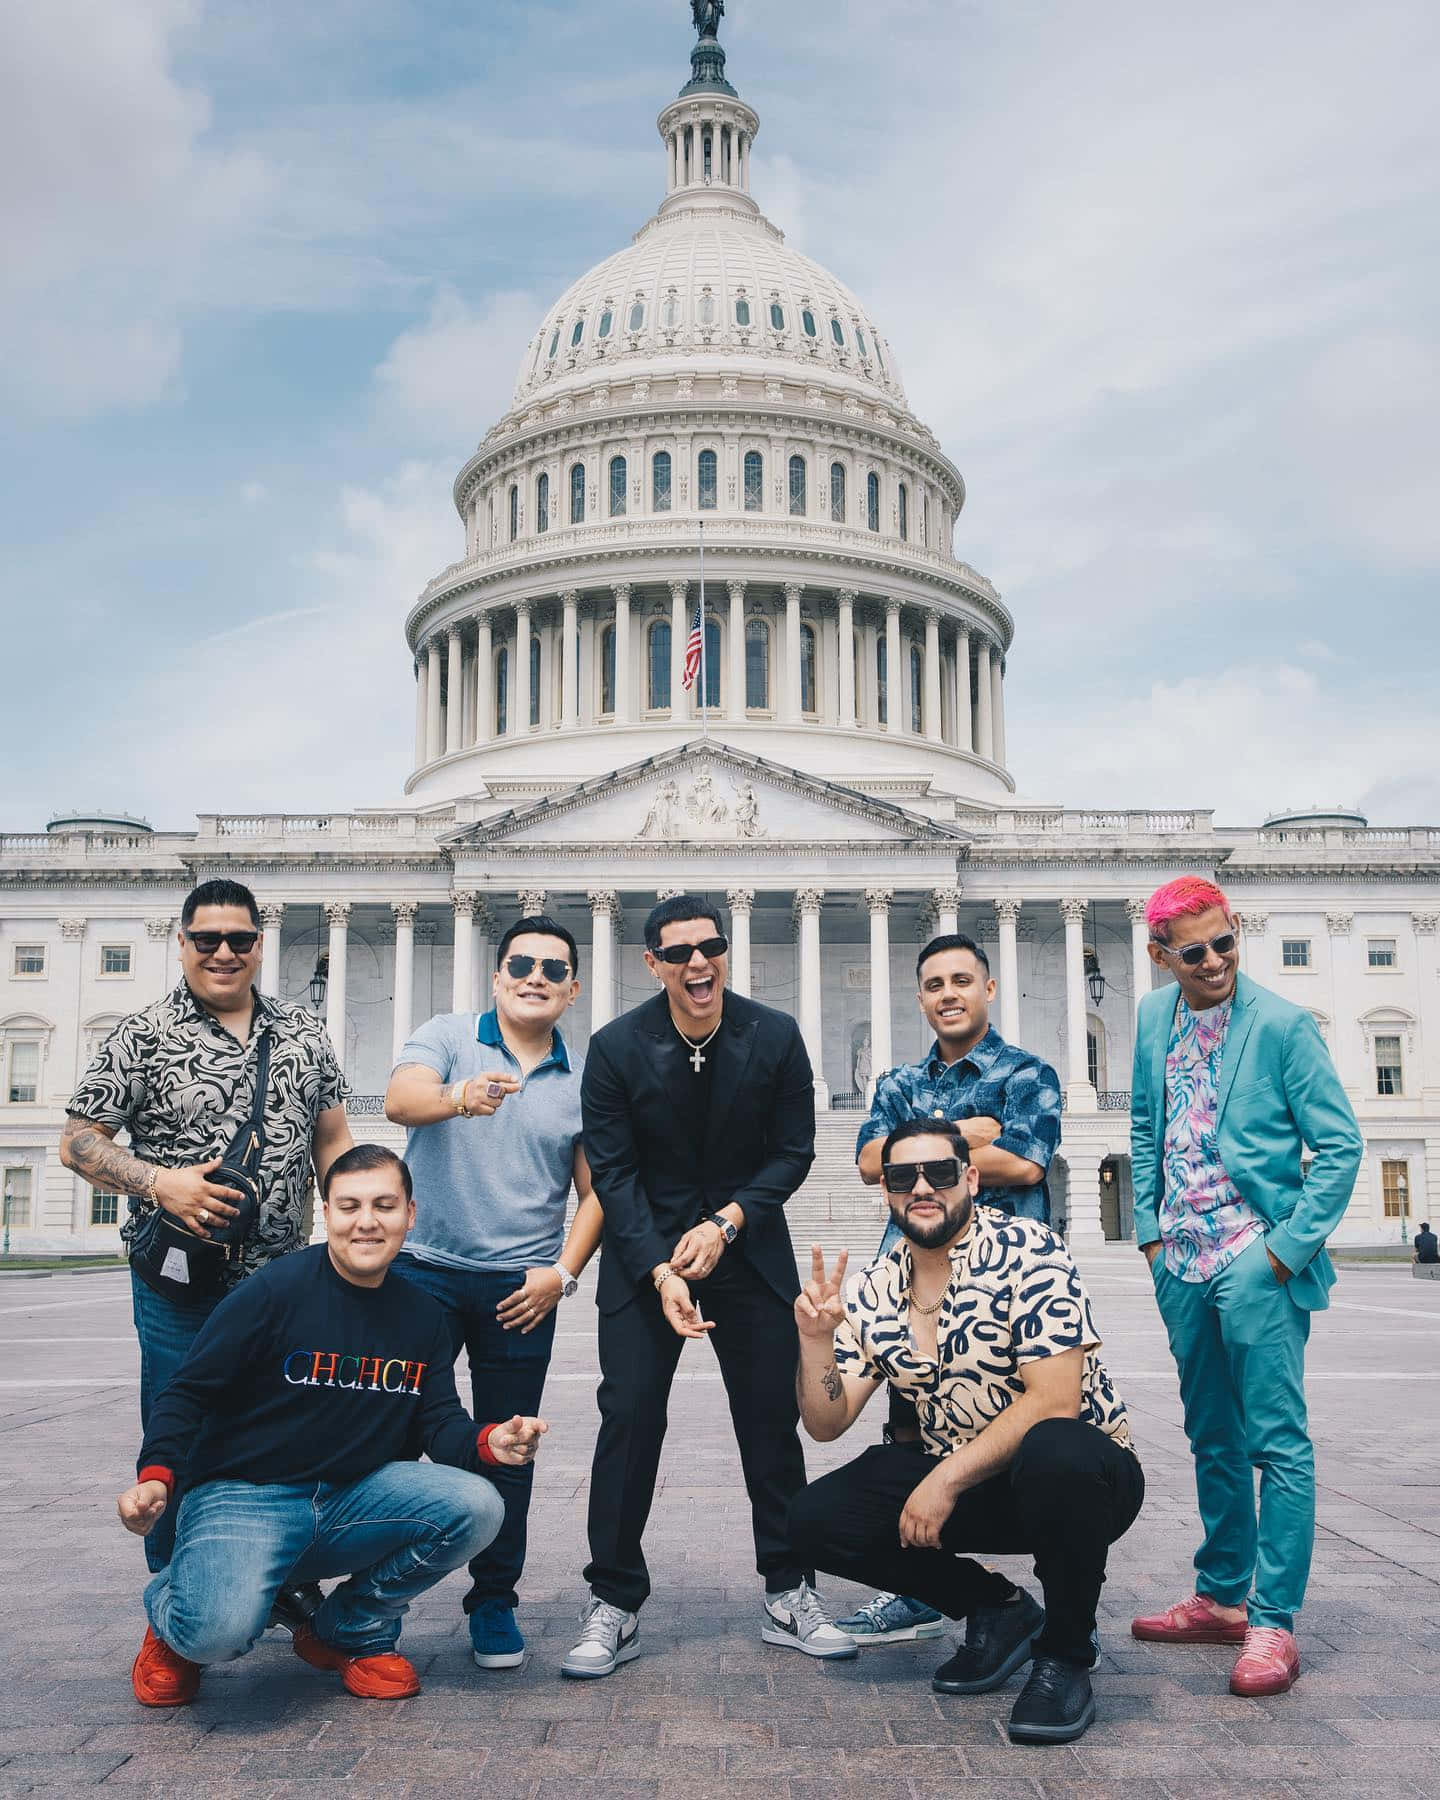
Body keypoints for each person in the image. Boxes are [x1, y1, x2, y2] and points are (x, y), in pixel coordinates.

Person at [116, 1143, 548, 1708]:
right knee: (217, 1635)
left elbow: (438, 1423)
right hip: (247, 1496)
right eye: (350, 1206)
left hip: (350, 1500)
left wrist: (489, 1443)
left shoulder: (421, 1315)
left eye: (384, 1206)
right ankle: (174, 1614)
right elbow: (189, 1392)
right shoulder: (274, 1291)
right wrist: (156, 1475)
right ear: (327, 1213)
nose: (367, 1221)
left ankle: (347, 1629)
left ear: (410, 1215)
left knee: (479, 1504)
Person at [563, 894, 854, 1677]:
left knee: (768, 1421)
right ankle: (614, 1598)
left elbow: (792, 1153)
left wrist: (727, 1222)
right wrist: (660, 1268)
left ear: (726, 953)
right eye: (680, 951)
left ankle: (790, 1588)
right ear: (651, 963)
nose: (699, 962)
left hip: (748, 1251)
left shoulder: (774, 1035)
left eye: (711, 947)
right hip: (642, 1255)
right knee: (628, 1416)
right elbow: (613, 1173)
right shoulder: (616, 1046)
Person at [786, 1122, 1143, 1745]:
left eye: (940, 1173)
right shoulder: (876, 1286)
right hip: (972, 1480)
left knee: (1055, 1449)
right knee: (813, 1519)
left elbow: (1056, 1399)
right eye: (903, 1177)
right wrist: (815, 1343)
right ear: (888, 1194)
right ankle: (997, 1611)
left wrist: (944, 1479)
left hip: (1083, 1479)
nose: (922, 1187)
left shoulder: (1031, 1248)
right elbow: (825, 1424)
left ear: (970, 1179)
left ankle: (1064, 1654)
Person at [63, 877, 352, 1578]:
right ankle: (171, 1606)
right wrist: (160, 1183)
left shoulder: (304, 1033)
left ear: (259, 944)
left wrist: (356, 1228)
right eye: (206, 939)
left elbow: (333, 1142)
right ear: (184, 942)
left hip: (282, 1285)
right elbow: (78, 1143)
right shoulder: (143, 1034)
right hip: (178, 1287)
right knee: (175, 1439)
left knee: (285, 1437)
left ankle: (287, 1593)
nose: (223, 951)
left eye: (240, 939)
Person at [1129, 876, 1363, 1698]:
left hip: (1253, 1257)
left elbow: (1340, 1149)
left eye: (1226, 941)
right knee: (1211, 1437)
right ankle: (1222, 1594)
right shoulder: (1153, 1016)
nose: (1217, 960)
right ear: (1162, 957)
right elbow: (1145, 1125)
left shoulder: (1286, 1026)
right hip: (1181, 1261)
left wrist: (1282, 1253)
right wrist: (1150, 1237)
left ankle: (1273, 1623)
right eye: (1194, 951)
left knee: (1277, 1443)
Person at [383, 913, 603, 1669]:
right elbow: (399, 1101)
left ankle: (493, 1600)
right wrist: (459, 1096)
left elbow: (596, 1190)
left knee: (510, 1446)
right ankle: (377, 1595)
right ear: (498, 976)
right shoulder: (448, 1036)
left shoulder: (583, 1078)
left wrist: (563, 1273)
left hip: (522, 1286)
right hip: (423, 1271)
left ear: (572, 988)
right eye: (522, 964)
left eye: (552, 967)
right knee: (393, 1433)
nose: (535, 976)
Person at [842, 932, 1062, 1647]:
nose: (948, 994)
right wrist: (970, 1134)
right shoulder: (898, 1081)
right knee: (908, 1430)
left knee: (1040, 1431)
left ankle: (1061, 1606)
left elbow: (1026, 1165)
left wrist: (916, 1150)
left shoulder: (1030, 1072)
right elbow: (872, 1162)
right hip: (914, 1278)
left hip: (1008, 1283)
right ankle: (925, 1588)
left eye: (962, 980)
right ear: (920, 998)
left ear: (988, 989)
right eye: (934, 983)